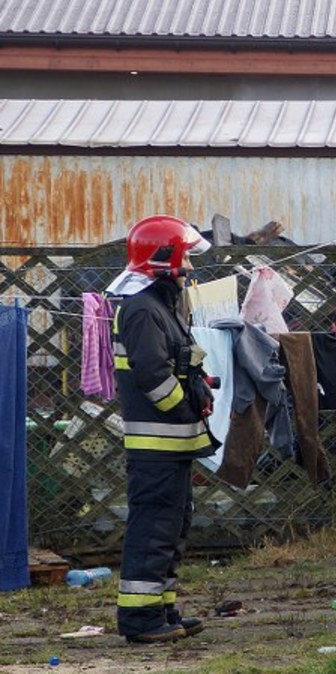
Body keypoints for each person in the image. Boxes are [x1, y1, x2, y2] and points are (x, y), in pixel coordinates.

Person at [109, 215, 218, 643]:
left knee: (171, 529)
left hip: (171, 445)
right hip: (158, 443)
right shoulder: (141, 310)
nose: (191, 265)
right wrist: (186, 409)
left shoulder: (160, 304)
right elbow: (154, 378)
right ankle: (140, 621)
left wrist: (198, 392)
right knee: (153, 530)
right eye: (186, 255)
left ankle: (161, 609)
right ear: (164, 258)